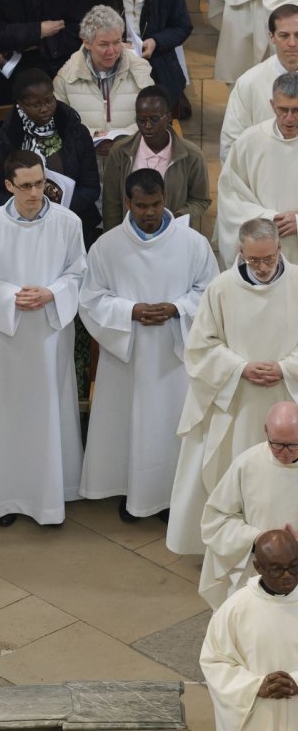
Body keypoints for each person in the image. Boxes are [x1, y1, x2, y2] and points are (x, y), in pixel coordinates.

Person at [79, 168, 218, 522]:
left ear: (165, 199)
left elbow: (211, 294)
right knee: (129, 427)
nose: (149, 213)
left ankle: (169, 498)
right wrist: (131, 311)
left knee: (168, 428)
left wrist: (176, 309)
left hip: (173, 358)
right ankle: (130, 492)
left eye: (155, 204)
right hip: (128, 355)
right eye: (141, 205)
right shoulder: (107, 246)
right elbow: (91, 300)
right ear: (128, 203)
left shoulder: (193, 244)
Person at [0, 150, 87, 526]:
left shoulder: (68, 223)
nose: (36, 192)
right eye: (26, 186)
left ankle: (48, 498)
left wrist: (51, 293)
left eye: (40, 183)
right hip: (7, 336)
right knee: (6, 416)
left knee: (47, 413)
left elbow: (79, 274)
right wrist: (11, 296)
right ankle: (4, 498)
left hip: (48, 334)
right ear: (8, 186)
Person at [167, 218, 298, 556]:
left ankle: (286, 548)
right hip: (238, 399)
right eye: (254, 260)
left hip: (287, 397)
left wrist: (285, 367)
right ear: (241, 252)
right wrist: (240, 367)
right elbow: (200, 347)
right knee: (233, 471)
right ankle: (237, 544)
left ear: (279, 249)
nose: (264, 267)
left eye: (269, 258)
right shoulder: (222, 288)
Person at [0, 68, 102, 243]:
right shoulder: (4, 139)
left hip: (69, 223)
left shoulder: (75, 131)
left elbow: (90, 188)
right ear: (19, 104)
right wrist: (26, 209)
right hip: (18, 226)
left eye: (49, 101)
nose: (45, 109)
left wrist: (55, 211)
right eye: (35, 105)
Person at [201, 403, 298, 609]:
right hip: (258, 574)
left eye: (293, 445)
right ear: (265, 431)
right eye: (277, 444)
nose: (284, 453)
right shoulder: (247, 463)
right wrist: (258, 539)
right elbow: (216, 520)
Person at [201, 529, 298, 731]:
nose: (287, 576)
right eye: (276, 570)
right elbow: (215, 662)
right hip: (259, 714)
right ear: (258, 567)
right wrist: (255, 686)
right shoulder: (236, 608)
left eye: (294, 566)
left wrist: (296, 680)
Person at [101, 86, 209, 232]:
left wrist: (179, 215)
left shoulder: (191, 156)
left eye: (154, 119)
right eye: (141, 120)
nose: (147, 126)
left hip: (173, 233)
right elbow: (111, 204)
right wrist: (113, 237)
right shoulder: (120, 152)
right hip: (130, 235)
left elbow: (201, 200)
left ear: (169, 117)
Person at [220, 73, 298, 267]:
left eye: (296, 110)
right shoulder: (250, 141)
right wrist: (269, 219)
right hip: (262, 251)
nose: (289, 118)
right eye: (283, 110)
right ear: (272, 105)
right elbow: (231, 197)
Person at [52, 4, 154, 144]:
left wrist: (121, 141)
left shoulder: (140, 71)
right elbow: (59, 122)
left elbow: (153, 116)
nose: (111, 51)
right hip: (85, 158)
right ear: (87, 43)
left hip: (129, 156)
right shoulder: (66, 77)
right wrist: (91, 136)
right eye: (104, 44)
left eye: (117, 42)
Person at [221, 6, 298, 163]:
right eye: (284, 36)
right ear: (271, 37)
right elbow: (232, 143)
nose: (292, 43)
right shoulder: (249, 83)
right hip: (263, 174)